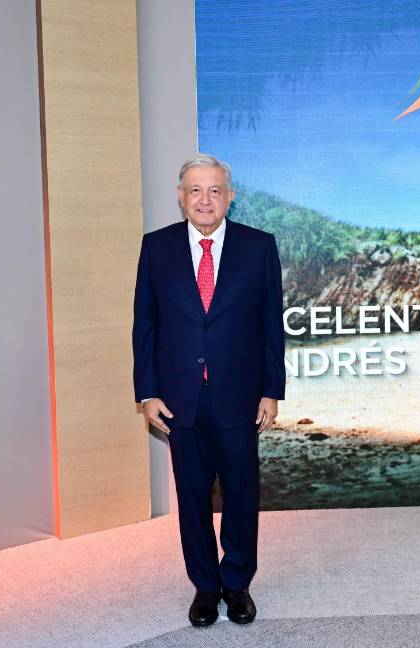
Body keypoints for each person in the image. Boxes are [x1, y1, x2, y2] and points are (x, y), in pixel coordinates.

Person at [132, 153, 285, 627]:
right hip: (180, 401)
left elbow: (269, 326)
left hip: (239, 397)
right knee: (193, 498)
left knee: (241, 496)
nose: (205, 199)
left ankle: (237, 584)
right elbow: (146, 326)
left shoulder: (259, 247)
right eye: (195, 190)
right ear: (181, 197)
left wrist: (271, 389)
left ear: (230, 198)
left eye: (215, 190)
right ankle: (204, 586)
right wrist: (147, 392)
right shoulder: (156, 248)